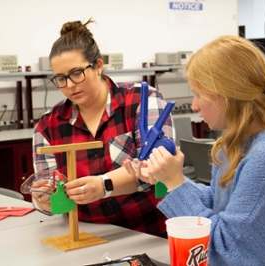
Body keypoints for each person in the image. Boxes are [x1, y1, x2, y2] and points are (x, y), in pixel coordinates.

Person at [124, 35, 265, 265]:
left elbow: (230, 256)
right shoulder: (239, 144)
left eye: (198, 94)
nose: (194, 105)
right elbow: (220, 203)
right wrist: (169, 180)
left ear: (226, 96)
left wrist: (177, 185)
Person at [31, 18, 175, 238]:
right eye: (60, 79)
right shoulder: (47, 126)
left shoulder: (142, 101)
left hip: (148, 232)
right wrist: (45, 199)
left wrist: (104, 185)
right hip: (88, 236)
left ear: (98, 66)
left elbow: (159, 169)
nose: (69, 85)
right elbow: (53, 203)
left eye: (76, 73)